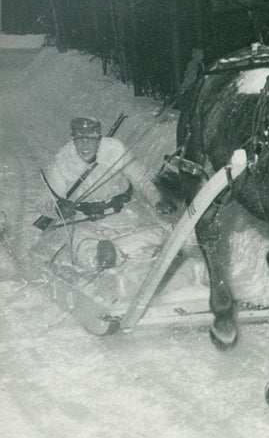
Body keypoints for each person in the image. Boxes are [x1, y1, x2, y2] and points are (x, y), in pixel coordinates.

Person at [34, 116, 173, 303]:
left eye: (90, 140)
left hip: (122, 214)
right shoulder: (62, 161)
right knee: (83, 245)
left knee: (161, 234)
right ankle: (103, 266)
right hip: (81, 220)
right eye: (80, 140)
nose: (85, 146)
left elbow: (141, 178)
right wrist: (58, 208)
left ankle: (113, 255)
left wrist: (158, 199)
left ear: (98, 139)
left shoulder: (115, 150)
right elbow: (43, 201)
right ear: (73, 139)